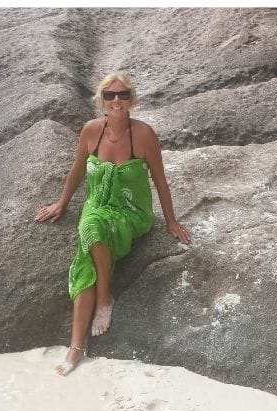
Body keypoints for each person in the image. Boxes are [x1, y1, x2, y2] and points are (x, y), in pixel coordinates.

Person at [34, 72, 191, 376]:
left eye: (122, 95)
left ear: (131, 99)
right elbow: (78, 170)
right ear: (101, 101)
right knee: (88, 245)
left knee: (91, 230)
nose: (116, 100)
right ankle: (77, 345)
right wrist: (61, 204)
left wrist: (171, 221)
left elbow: (160, 180)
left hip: (132, 212)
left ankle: (100, 304)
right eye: (109, 95)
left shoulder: (143, 134)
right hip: (97, 207)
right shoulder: (91, 131)